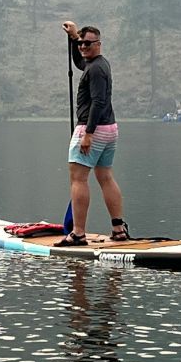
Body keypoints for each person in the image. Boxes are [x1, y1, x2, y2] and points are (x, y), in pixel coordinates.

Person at [55, 21, 128, 247]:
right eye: (82, 44)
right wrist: (74, 37)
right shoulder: (98, 65)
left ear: (99, 44)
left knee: (78, 178)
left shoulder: (96, 69)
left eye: (88, 43)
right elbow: (80, 63)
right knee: (105, 176)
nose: (83, 47)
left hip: (92, 129)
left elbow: (97, 101)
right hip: (110, 130)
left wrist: (88, 133)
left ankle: (78, 233)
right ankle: (118, 229)